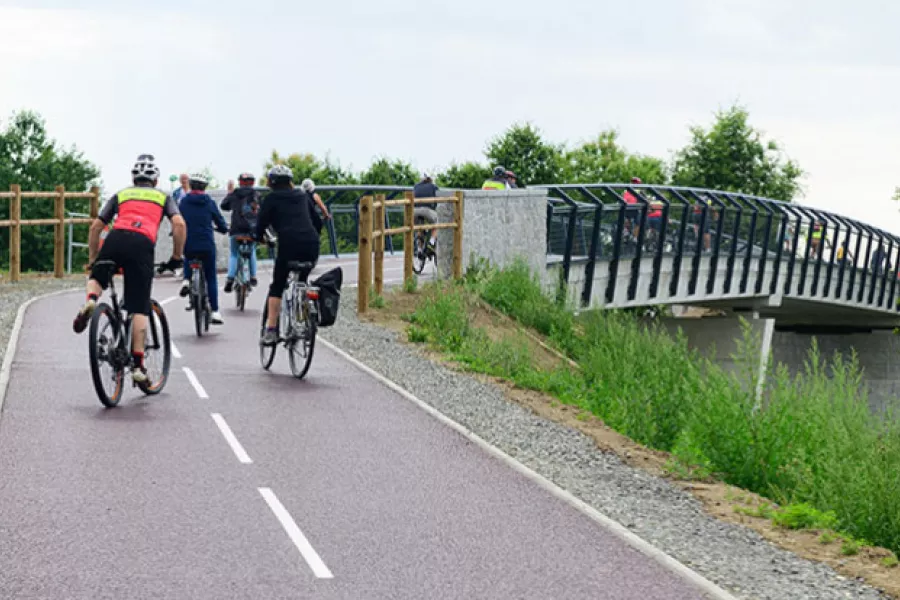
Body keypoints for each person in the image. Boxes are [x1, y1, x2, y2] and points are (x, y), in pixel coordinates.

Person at [72, 154, 186, 384]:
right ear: (155, 180)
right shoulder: (162, 196)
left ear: (134, 179)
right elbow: (179, 224)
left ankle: (92, 299)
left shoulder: (122, 194)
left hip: (115, 239)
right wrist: (176, 257)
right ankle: (138, 365)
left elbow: (96, 227)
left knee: (97, 276)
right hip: (141, 244)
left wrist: (94, 259)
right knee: (140, 307)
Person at [256, 165, 320, 346]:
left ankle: (271, 331)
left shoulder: (271, 199)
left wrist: (260, 239)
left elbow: (260, 227)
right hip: (311, 245)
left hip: (288, 245)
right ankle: (304, 318)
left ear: (271, 182)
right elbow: (316, 221)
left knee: (277, 285)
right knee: (303, 279)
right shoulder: (302, 195)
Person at [178, 172, 229, 324]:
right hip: (206, 244)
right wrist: (223, 228)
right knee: (211, 277)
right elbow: (219, 221)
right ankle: (215, 311)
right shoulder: (209, 202)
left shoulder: (183, 202)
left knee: (188, 255)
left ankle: (186, 280)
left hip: (189, 242)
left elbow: (177, 219)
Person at [221, 172, 261, 292]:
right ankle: (253, 276)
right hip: (252, 230)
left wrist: (229, 193)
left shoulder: (235, 194)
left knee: (234, 254)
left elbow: (223, 206)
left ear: (240, 182)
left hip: (236, 230)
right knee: (252, 250)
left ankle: (230, 278)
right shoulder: (257, 195)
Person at [413, 173, 439, 255]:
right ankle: (431, 242)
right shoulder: (433, 186)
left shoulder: (416, 186)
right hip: (427, 210)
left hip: (414, 211)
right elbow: (438, 199)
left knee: (419, 228)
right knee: (438, 223)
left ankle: (420, 249)